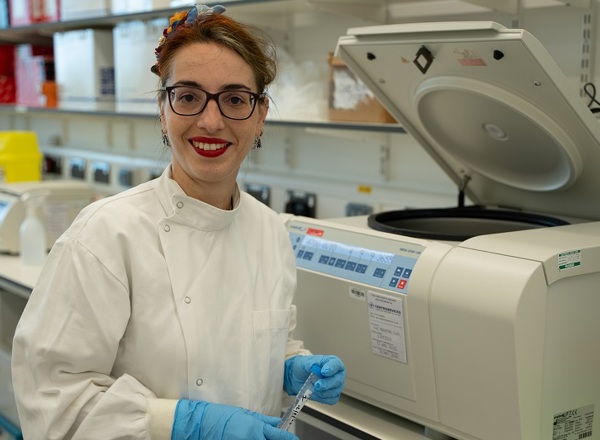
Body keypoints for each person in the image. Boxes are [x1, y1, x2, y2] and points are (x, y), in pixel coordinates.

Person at [11, 3, 346, 439]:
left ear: (260, 114)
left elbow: (249, 342)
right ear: (163, 111)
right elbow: (53, 400)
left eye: (234, 100)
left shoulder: (270, 232)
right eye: (188, 96)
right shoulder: (105, 236)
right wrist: (182, 425)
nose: (211, 121)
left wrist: (287, 367)